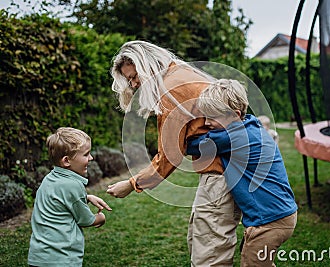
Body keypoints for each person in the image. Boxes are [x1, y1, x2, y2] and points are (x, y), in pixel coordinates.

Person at [106, 41, 241, 266]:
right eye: (129, 80)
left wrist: (131, 184)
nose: (134, 84)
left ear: (146, 64)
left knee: (209, 254)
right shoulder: (182, 73)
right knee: (205, 239)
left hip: (220, 174)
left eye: (134, 76)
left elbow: (169, 156)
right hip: (229, 169)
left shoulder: (170, 89)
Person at [186, 79, 298, 267]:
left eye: (211, 117)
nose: (206, 123)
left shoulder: (234, 136)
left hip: (270, 222)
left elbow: (192, 146)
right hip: (280, 215)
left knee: (251, 263)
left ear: (235, 115)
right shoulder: (251, 126)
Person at [28, 127, 112, 267]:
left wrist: (86, 197)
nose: (91, 158)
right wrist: (100, 218)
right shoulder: (73, 185)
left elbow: (60, 200)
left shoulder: (49, 179)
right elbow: (86, 220)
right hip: (61, 258)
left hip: (39, 257)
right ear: (66, 161)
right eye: (86, 154)